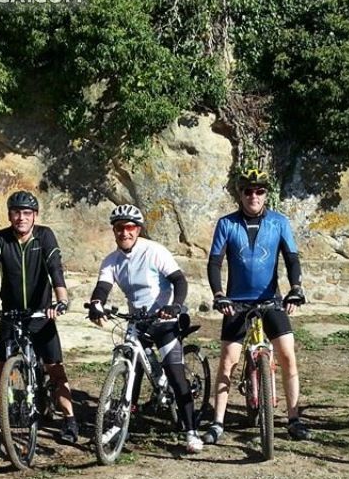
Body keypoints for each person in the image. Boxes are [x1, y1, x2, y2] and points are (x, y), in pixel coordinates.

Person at [204, 167, 310, 444]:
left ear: (266, 194)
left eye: (259, 191)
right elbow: (215, 261)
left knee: (287, 355)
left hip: (270, 299)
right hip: (236, 302)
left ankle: (294, 419)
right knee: (228, 360)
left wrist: (295, 289)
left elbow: (292, 258)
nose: (254, 195)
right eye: (248, 190)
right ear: (239, 193)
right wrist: (218, 294)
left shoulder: (279, 222)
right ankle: (217, 423)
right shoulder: (226, 223)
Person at [88, 204, 204, 455]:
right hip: (137, 321)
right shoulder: (112, 261)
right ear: (114, 230)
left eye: (130, 227)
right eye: (119, 228)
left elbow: (179, 280)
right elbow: (102, 288)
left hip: (164, 320)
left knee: (175, 375)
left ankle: (191, 431)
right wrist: (96, 305)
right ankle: (122, 421)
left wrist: (174, 305)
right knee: (131, 366)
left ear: (138, 230)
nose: (124, 233)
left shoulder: (154, 251)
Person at [0, 190, 79, 445]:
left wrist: (61, 300)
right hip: (11, 315)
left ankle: (70, 420)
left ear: (35, 216)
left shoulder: (44, 236)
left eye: (27, 213)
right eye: (16, 212)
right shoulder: (0, 240)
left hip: (41, 314)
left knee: (56, 371)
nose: (21, 218)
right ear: (9, 215)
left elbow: (55, 269)